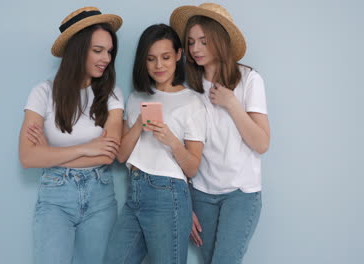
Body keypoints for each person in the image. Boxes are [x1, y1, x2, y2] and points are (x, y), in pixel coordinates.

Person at [18, 6, 124, 264]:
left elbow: (109, 154)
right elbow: (27, 157)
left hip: (100, 197)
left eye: (109, 51)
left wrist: (50, 155)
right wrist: (87, 148)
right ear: (77, 50)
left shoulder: (112, 95)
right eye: (98, 50)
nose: (106, 58)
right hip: (55, 198)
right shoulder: (42, 93)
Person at [170, 3, 271, 263]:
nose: (195, 49)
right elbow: (181, 150)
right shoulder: (188, 89)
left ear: (219, 40)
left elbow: (261, 143)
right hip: (201, 194)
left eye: (203, 41)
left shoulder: (249, 80)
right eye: (191, 42)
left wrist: (231, 103)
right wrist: (185, 203)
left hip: (241, 194)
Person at [104, 24, 206, 264]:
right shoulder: (137, 97)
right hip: (135, 191)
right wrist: (140, 122)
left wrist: (171, 141)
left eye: (166, 57)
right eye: (151, 59)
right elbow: (121, 156)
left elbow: (192, 168)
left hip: (168, 195)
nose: (158, 66)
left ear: (179, 55)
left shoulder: (192, 102)